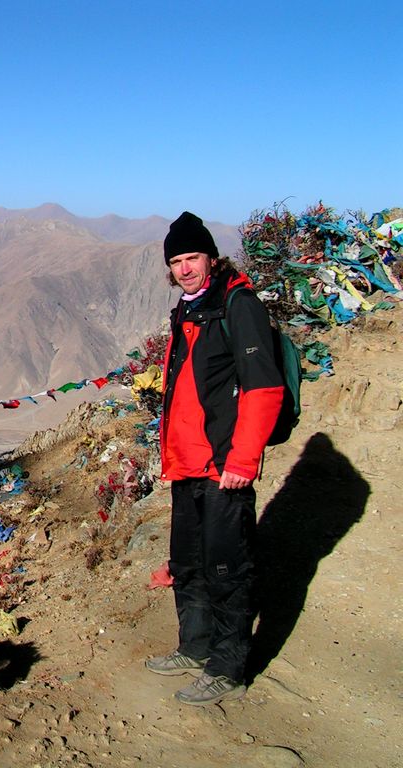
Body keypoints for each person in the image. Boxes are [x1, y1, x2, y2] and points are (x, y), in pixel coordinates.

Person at [146, 211, 283, 705]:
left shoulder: (237, 304)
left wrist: (243, 460)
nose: (184, 269)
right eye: (177, 261)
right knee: (190, 562)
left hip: (224, 466)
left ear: (212, 258)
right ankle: (195, 645)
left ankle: (228, 666)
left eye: (192, 258)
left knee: (228, 566)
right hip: (185, 462)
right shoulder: (187, 308)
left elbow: (264, 387)